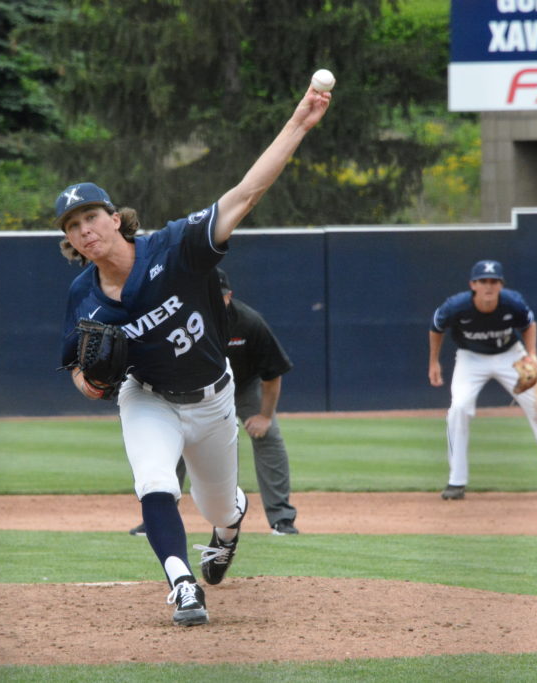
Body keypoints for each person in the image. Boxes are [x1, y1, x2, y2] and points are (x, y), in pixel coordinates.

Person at [57, 83, 331, 626]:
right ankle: (182, 585)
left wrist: (298, 123)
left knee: (217, 506)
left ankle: (229, 527)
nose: (84, 230)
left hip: (213, 399)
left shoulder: (177, 246)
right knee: (154, 480)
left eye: (91, 217)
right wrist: (85, 383)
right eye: (72, 225)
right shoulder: (81, 295)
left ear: (115, 218)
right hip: (147, 397)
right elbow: (77, 365)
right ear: (68, 240)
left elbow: (246, 192)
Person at [129, 268, 300, 537]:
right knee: (174, 440)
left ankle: (281, 519)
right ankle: (158, 517)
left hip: (242, 388)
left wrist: (265, 417)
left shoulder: (249, 322)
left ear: (229, 296)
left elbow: (272, 374)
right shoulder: (178, 320)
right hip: (191, 388)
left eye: (219, 295)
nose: (213, 299)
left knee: (270, 437)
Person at [428, 259, 537, 500]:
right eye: (483, 281)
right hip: (471, 358)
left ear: (501, 285)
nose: (488, 286)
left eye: (494, 281)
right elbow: (436, 328)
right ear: (473, 285)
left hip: (510, 356)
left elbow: (529, 325)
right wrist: (434, 362)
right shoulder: (455, 307)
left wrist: (532, 354)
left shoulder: (513, 302)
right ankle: (456, 481)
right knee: (458, 409)